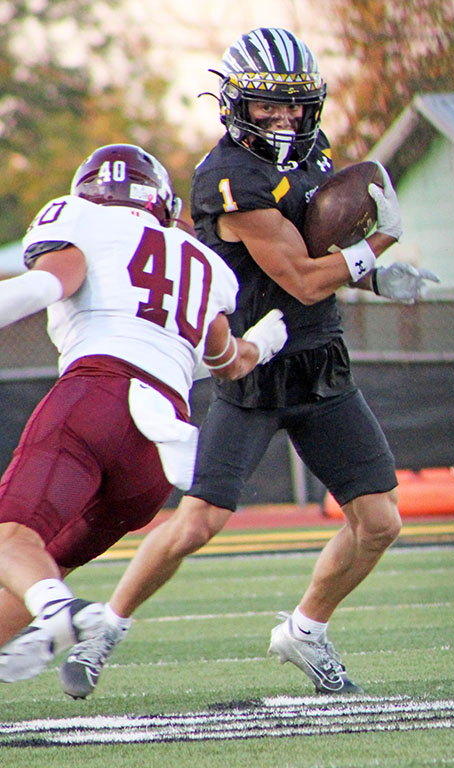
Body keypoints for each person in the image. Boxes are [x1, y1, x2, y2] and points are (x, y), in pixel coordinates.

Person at [56, 29, 440, 701]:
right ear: (237, 105)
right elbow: (296, 276)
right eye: (268, 107)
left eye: (294, 107)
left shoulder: (314, 157)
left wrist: (374, 278)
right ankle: (107, 628)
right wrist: (375, 244)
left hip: (320, 362)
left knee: (379, 522)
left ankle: (305, 629)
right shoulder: (228, 176)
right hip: (253, 365)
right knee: (199, 521)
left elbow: (315, 250)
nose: (285, 119)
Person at [0, 142, 288, 684]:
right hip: (158, 448)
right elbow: (225, 361)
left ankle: (61, 615)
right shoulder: (201, 260)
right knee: (44, 566)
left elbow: (48, 283)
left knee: (11, 540)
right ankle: (54, 611)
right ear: (160, 200)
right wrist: (265, 343)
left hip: (97, 397)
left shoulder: (81, 219)